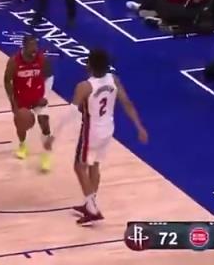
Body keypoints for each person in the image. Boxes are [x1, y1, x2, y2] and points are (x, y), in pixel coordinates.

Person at [46, 49, 148, 225]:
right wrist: (139, 127)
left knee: (79, 167)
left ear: (89, 65)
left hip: (91, 131)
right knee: (94, 165)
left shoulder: (85, 86)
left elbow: (71, 113)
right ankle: (89, 204)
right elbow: (127, 103)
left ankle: (92, 210)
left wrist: (54, 136)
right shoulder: (114, 79)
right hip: (108, 129)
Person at [4, 35, 54, 172]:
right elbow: (7, 81)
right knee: (21, 124)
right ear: (24, 46)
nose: (34, 49)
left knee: (45, 123)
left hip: (38, 97)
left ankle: (46, 156)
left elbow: (50, 76)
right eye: (31, 46)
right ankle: (22, 145)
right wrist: (12, 102)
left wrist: (45, 96)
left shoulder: (42, 59)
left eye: (36, 45)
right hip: (21, 99)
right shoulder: (14, 61)